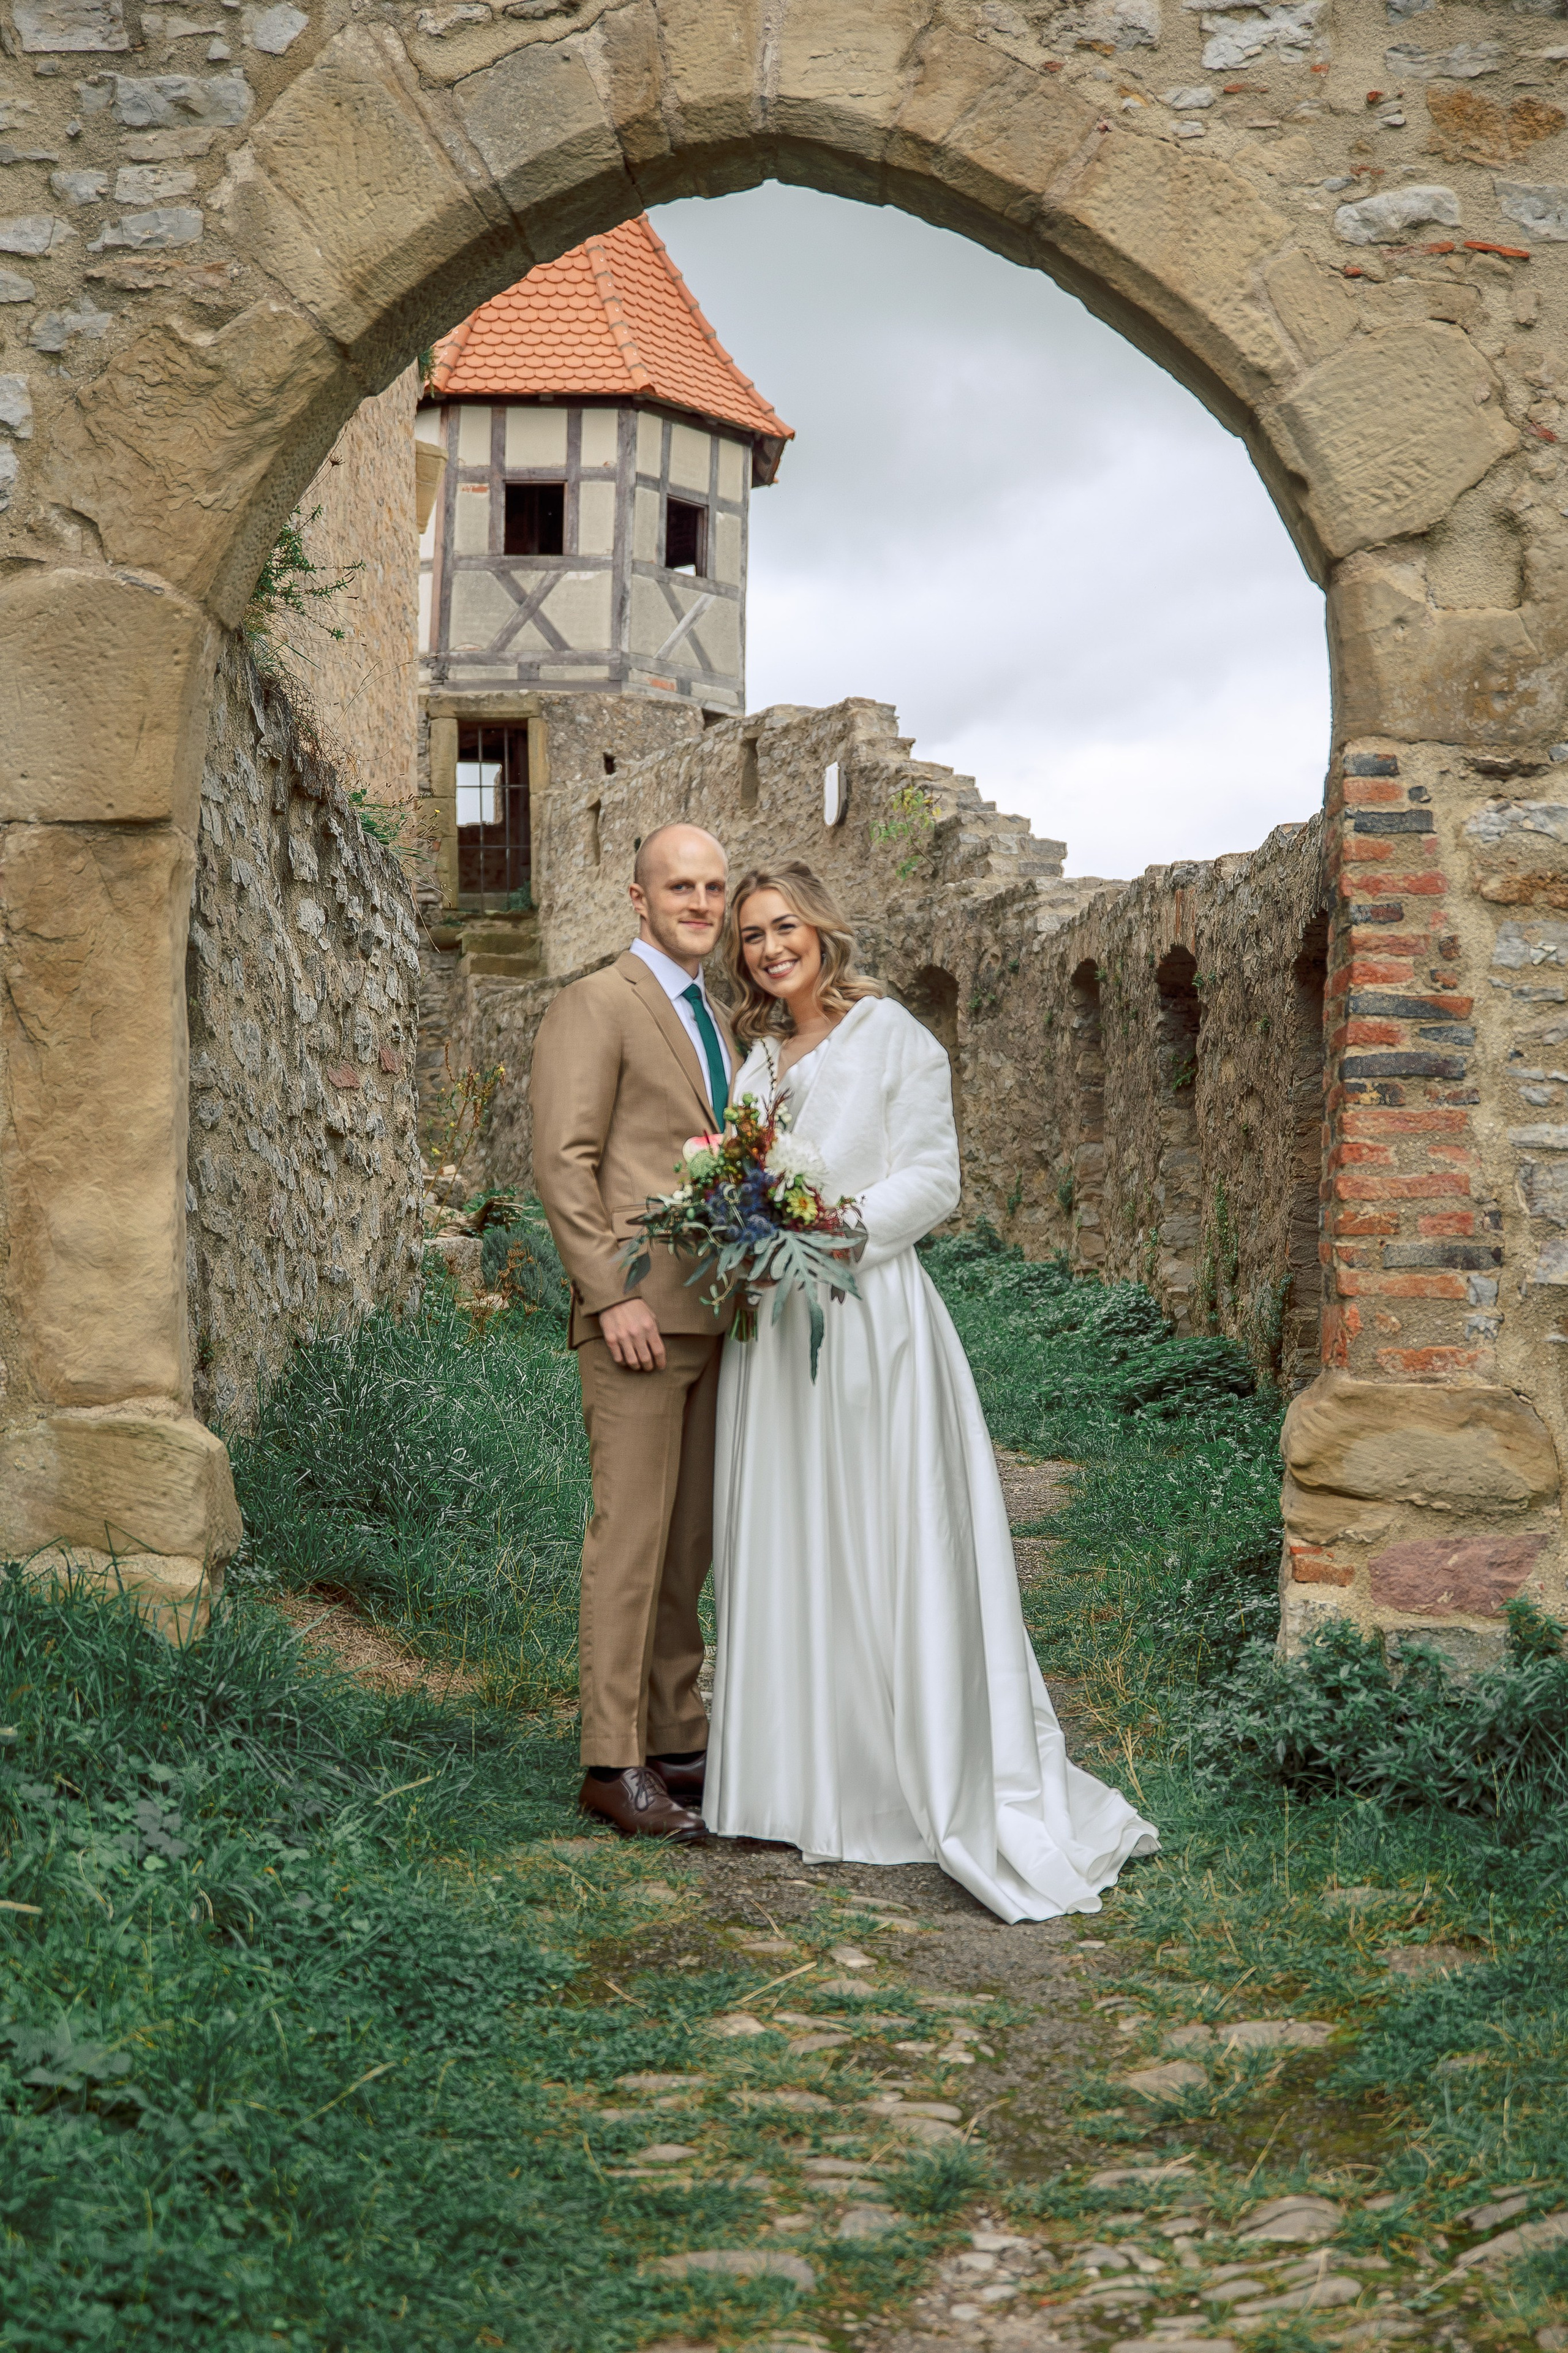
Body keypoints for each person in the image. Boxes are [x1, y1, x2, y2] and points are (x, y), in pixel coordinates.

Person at [704, 861, 1159, 1921]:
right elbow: (739, 1173)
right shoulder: (759, 1057)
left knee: (885, 1533)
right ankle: (796, 1779)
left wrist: (832, 1231)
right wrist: (744, 1231)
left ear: (822, 930)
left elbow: (934, 1176)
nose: (771, 949)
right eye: (753, 937)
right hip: (774, 1330)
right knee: (793, 1535)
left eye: (785, 929)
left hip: (871, 1318)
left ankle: (903, 1781)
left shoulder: (893, 1036)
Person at [530, 822, 736, 1842]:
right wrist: (612, 1292)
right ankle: (612, 1761)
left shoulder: (718, 1017)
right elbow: (565, 1160)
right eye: (679, 886)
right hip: (638, 1322)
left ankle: (677, 1735)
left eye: (712, 887)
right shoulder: (598, 1002)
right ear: (637, 897)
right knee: (630, 1541)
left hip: (716, 1318)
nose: (699, 902)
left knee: (685, 1544)